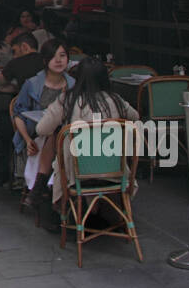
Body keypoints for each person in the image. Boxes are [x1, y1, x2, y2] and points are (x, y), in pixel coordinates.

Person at [29, 57, 138, 231]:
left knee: (56, 137)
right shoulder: (116, 100)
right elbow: (135, 117)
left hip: (77, 174)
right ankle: (100, 211)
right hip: (114, 171)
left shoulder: (68, 101)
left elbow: (42, 129)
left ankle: (43, 191)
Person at [11, 39, 73, 158]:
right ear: (45, 60)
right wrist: (28, 140)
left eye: (62, 55)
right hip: (34, 137)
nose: (58, 60)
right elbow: (18, 115)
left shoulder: (73, 85)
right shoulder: (32, 84)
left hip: (65, 141)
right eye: (53, 57)